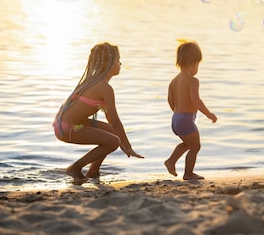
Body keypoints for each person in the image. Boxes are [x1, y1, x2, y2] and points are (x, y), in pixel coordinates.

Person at [53, 42, 143, 184]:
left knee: (113, 134)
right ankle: (75, 168)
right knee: (114, 141)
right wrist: (127, 146)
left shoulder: (95, 82)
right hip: (67, 127)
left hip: (71, 124)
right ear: (108, 63)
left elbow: (111, 120)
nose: (121, 63)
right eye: (118, 60)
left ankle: (93, 171)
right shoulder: (104, 88)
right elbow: (115, 120)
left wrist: (124, 143)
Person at [164, 40, 217, 180]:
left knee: (187, 144)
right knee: (195, 147)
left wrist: (177, 112)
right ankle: (188, 173)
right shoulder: (193, 81)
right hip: (186, 120)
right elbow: (196, 100)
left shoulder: (174, 81)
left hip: (176, 118)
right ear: (194, 63)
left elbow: (170, 99)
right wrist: (209, 114)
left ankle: (171, 161)